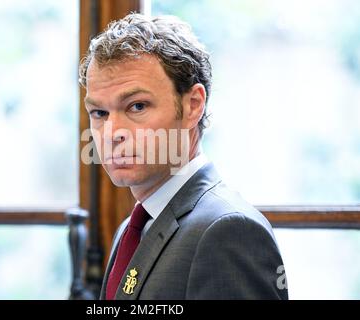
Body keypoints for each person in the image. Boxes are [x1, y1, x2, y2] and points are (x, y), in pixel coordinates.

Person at [79, 13, 288, 300]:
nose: (111, 132)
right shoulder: (131, 229)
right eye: (99, 113)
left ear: (193, 106)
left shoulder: (228, 230)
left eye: (137, 106)